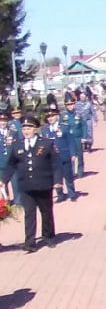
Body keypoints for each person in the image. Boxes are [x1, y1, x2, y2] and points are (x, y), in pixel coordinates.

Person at [6, 115, 57, 252]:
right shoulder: (17, 145)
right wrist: (3, 180)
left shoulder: (46, 143)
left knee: (46, 212)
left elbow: (55, 163)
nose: (26, 131)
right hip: (26, 186)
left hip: (43, 184)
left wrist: (58, 181)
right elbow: (11, 164)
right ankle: (30, 242)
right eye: (24, 128)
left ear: (35, 129)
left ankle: (49, 236)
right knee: (29, 213)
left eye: (29, 128)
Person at [43, 108, 78, 202]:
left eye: (52, 116)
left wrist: (73, 153)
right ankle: (60, 195)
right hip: (52, 158)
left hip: (64, 155)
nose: (50, 118)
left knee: (68, 176)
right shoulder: (45, 129)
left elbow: (71, 140)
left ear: (57, 116)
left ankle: (72, 194)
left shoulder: (64, 127)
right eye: (48, 117)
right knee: (56, 178)